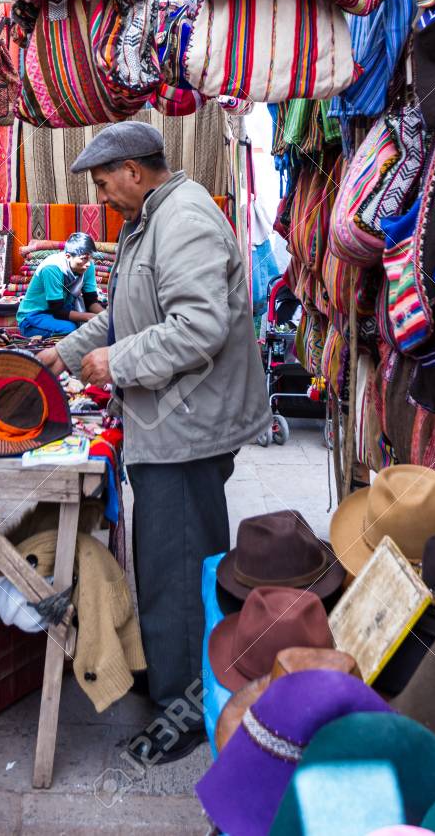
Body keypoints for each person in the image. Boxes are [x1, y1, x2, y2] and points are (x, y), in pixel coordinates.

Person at [38, 122, 270, 765]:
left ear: (135, 171)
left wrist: (117, 363)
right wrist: (66, 352)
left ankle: (186, 710)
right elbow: (123, 315)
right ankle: (175, 672)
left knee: (179, 563)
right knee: (169, 560)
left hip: (188, 427)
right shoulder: (151, 220)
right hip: (170, 421)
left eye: (104, 179)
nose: (101, 192)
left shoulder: (185, 219)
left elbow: (197, 328)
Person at [16, 232, 104, 338]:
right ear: (68, 256)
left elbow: (91, 302)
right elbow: (57, 311)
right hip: (35, 315)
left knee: (100, 321)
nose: (88, 263)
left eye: (90, 258)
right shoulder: (51, 269)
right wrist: (89, 317)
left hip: (64, 308)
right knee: (71, 330)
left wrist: (106, 316)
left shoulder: (88, 266)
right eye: (84, 258)